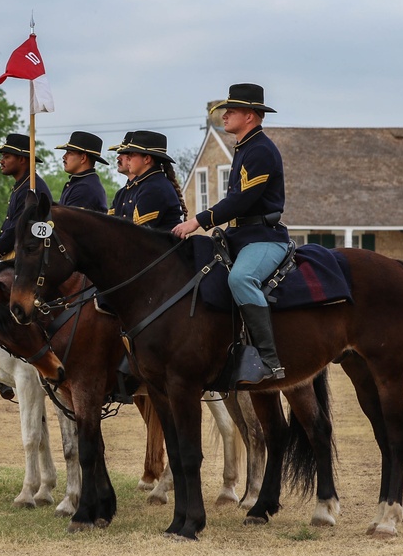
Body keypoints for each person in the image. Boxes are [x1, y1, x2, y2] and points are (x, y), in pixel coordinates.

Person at [171, 83, 287, 383]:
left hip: (264, 237)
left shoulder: (261, 150)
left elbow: (241, 201)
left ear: (250, 115)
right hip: (239, 237)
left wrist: (198, 220)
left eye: (231, 110)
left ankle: (267, 360)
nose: (224, 115)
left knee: (240, 279)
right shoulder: (245, 147)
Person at [0, 133, 53, 259]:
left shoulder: (30, 188)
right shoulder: (24, 184)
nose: (1, 161)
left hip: (27, 260)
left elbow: (17, 230)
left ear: (21, 159)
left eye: (7, 157)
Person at [113, 130, 186, 230]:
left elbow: (137, 232)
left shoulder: (154, 187)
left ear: (146, 159)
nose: (128, 158)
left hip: (163, 245)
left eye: (132, 154)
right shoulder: (147, 183)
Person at [55, 131, 109, 211]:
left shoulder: (84, 188)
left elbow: (68, 221)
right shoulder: (82, 183)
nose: (64, 157)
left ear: (83, 158)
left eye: (70, 153)